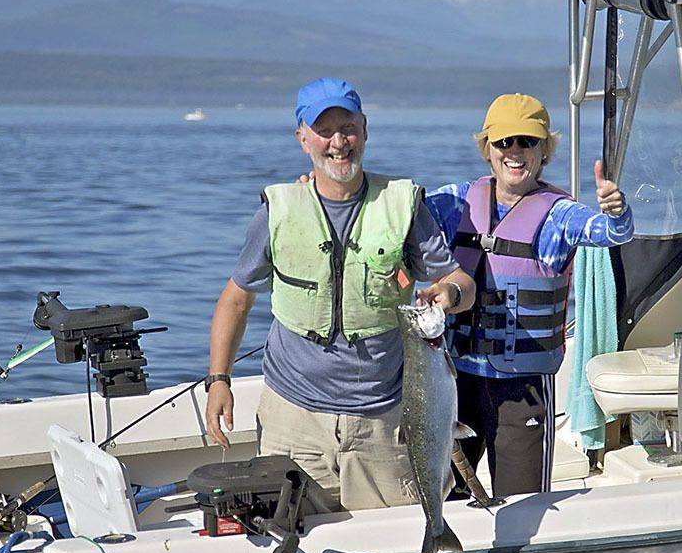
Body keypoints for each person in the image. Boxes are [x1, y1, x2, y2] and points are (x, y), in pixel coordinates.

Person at [204, 78, 475, 510]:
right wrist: (219, 381)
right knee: (296, 546)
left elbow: (462, 282)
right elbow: (236, 299)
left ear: (364, 129)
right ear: (303, 139)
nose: (338, 142)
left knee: (398, 546)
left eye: (347, 128)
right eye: (324, 130)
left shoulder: (402, 204)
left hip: (384, 420)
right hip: (292, 418)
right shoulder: (277, 210)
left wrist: (449, 294)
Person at [426, 93, 632, 498]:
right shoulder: (453, 201)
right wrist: (321, 189)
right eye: (504, 142)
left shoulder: (560, 215)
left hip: (521, 390)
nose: (515, 152)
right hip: (453, 382)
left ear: (544, 150)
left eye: (527, 141)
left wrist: (616, 211)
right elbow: (394, 214)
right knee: (441, 496)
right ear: (488, 148)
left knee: (523, 507)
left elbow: (612, 234)